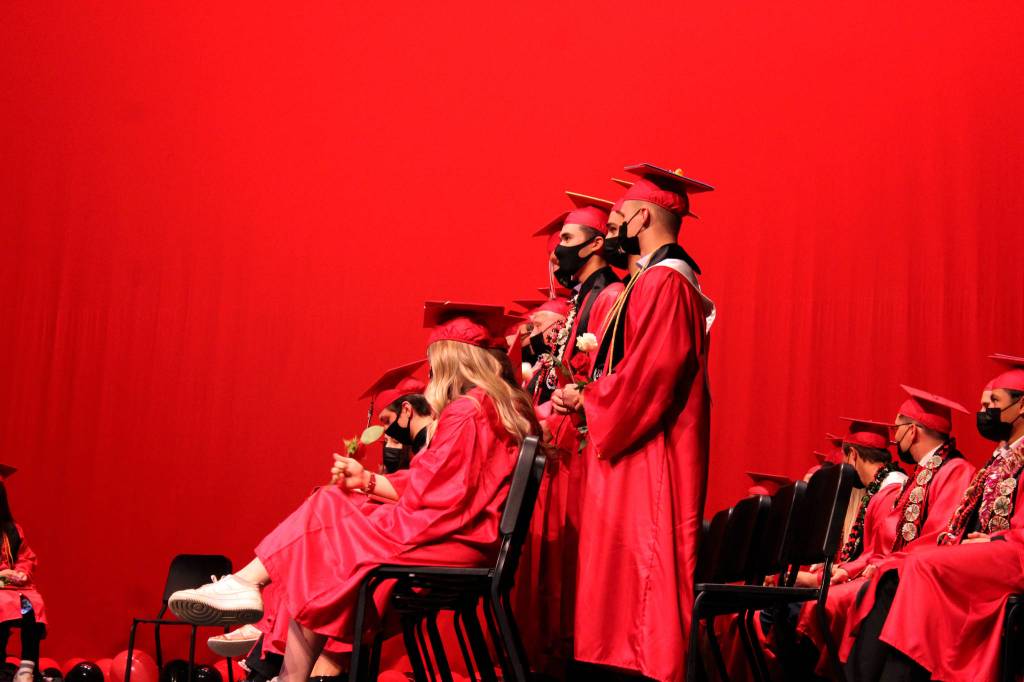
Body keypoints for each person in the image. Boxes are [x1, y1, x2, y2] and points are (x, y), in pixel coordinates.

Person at [170, 302, 540, 682]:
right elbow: (439, 483)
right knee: (329, 522)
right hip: (467, 536)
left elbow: (436, 493)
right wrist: (366, 483)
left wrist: (368, 488)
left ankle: (254, 600)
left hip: (450, 540)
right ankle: (272, 640)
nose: (430, 373)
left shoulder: (466, 411)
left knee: (325, 521)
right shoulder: (502, 407)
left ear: (449, 360)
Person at [553, 163, 715, 682]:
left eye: (619, 216)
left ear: (642, 216)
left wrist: (590, 398)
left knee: (645, 579)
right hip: (633, 442)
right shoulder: (649, 279)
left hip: (652, 451)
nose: (613, 227)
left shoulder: (666, 281)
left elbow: (654, 373)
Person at [844, 355, 1024, 682]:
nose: (987, 411)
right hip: (991, 551)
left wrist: (997, 539)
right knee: (896, 570)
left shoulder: (958, 469)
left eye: (995, 402)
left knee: (918, 566)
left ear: (1021, 407)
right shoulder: (1000, 459)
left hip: (1015, 552)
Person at [0, 470, 46, 682]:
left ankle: (27, 667)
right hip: (1, 590)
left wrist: (21, 571)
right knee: (3, 607)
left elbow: (26, 556)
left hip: (15, 590)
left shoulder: (12, 530)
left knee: (30, 607)